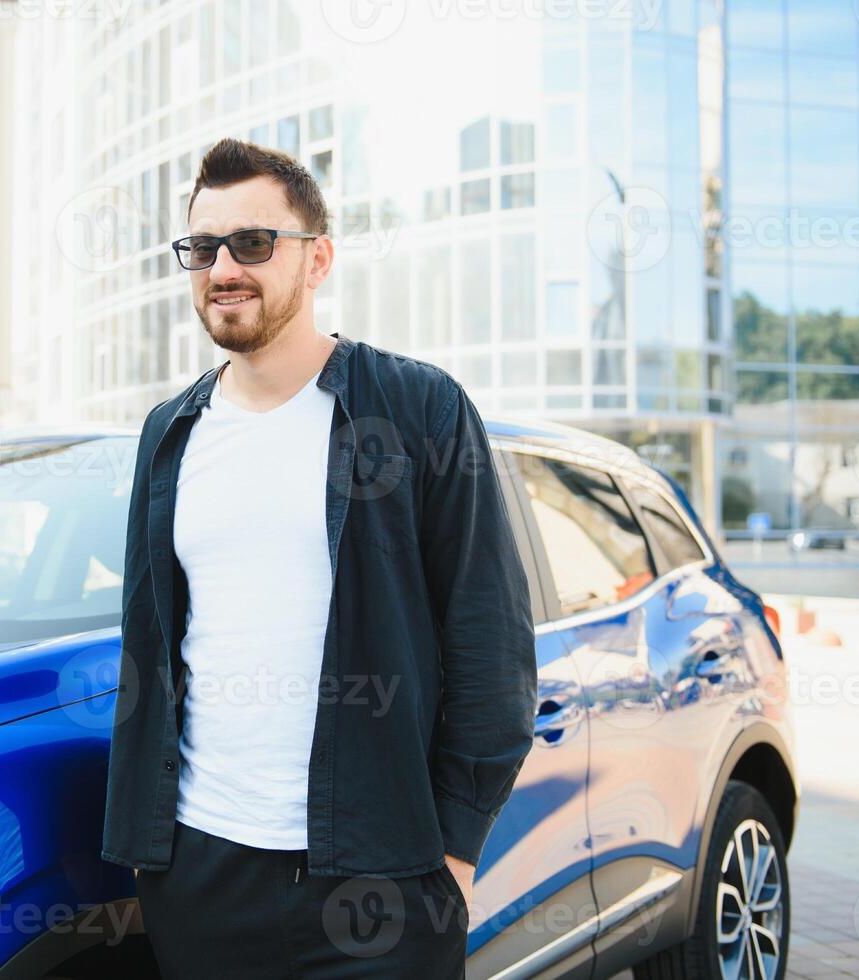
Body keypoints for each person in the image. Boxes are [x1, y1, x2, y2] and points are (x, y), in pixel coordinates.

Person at [99, 137, 538, 978]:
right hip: (203, 873)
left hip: (382, 876)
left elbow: (491, 641)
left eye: (254, 243)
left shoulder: (417, 408)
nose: (224, 266)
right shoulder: (170, 433)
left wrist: (452, 852)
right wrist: (152, 856)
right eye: (203, 247)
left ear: (319, 258)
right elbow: (146, 645)